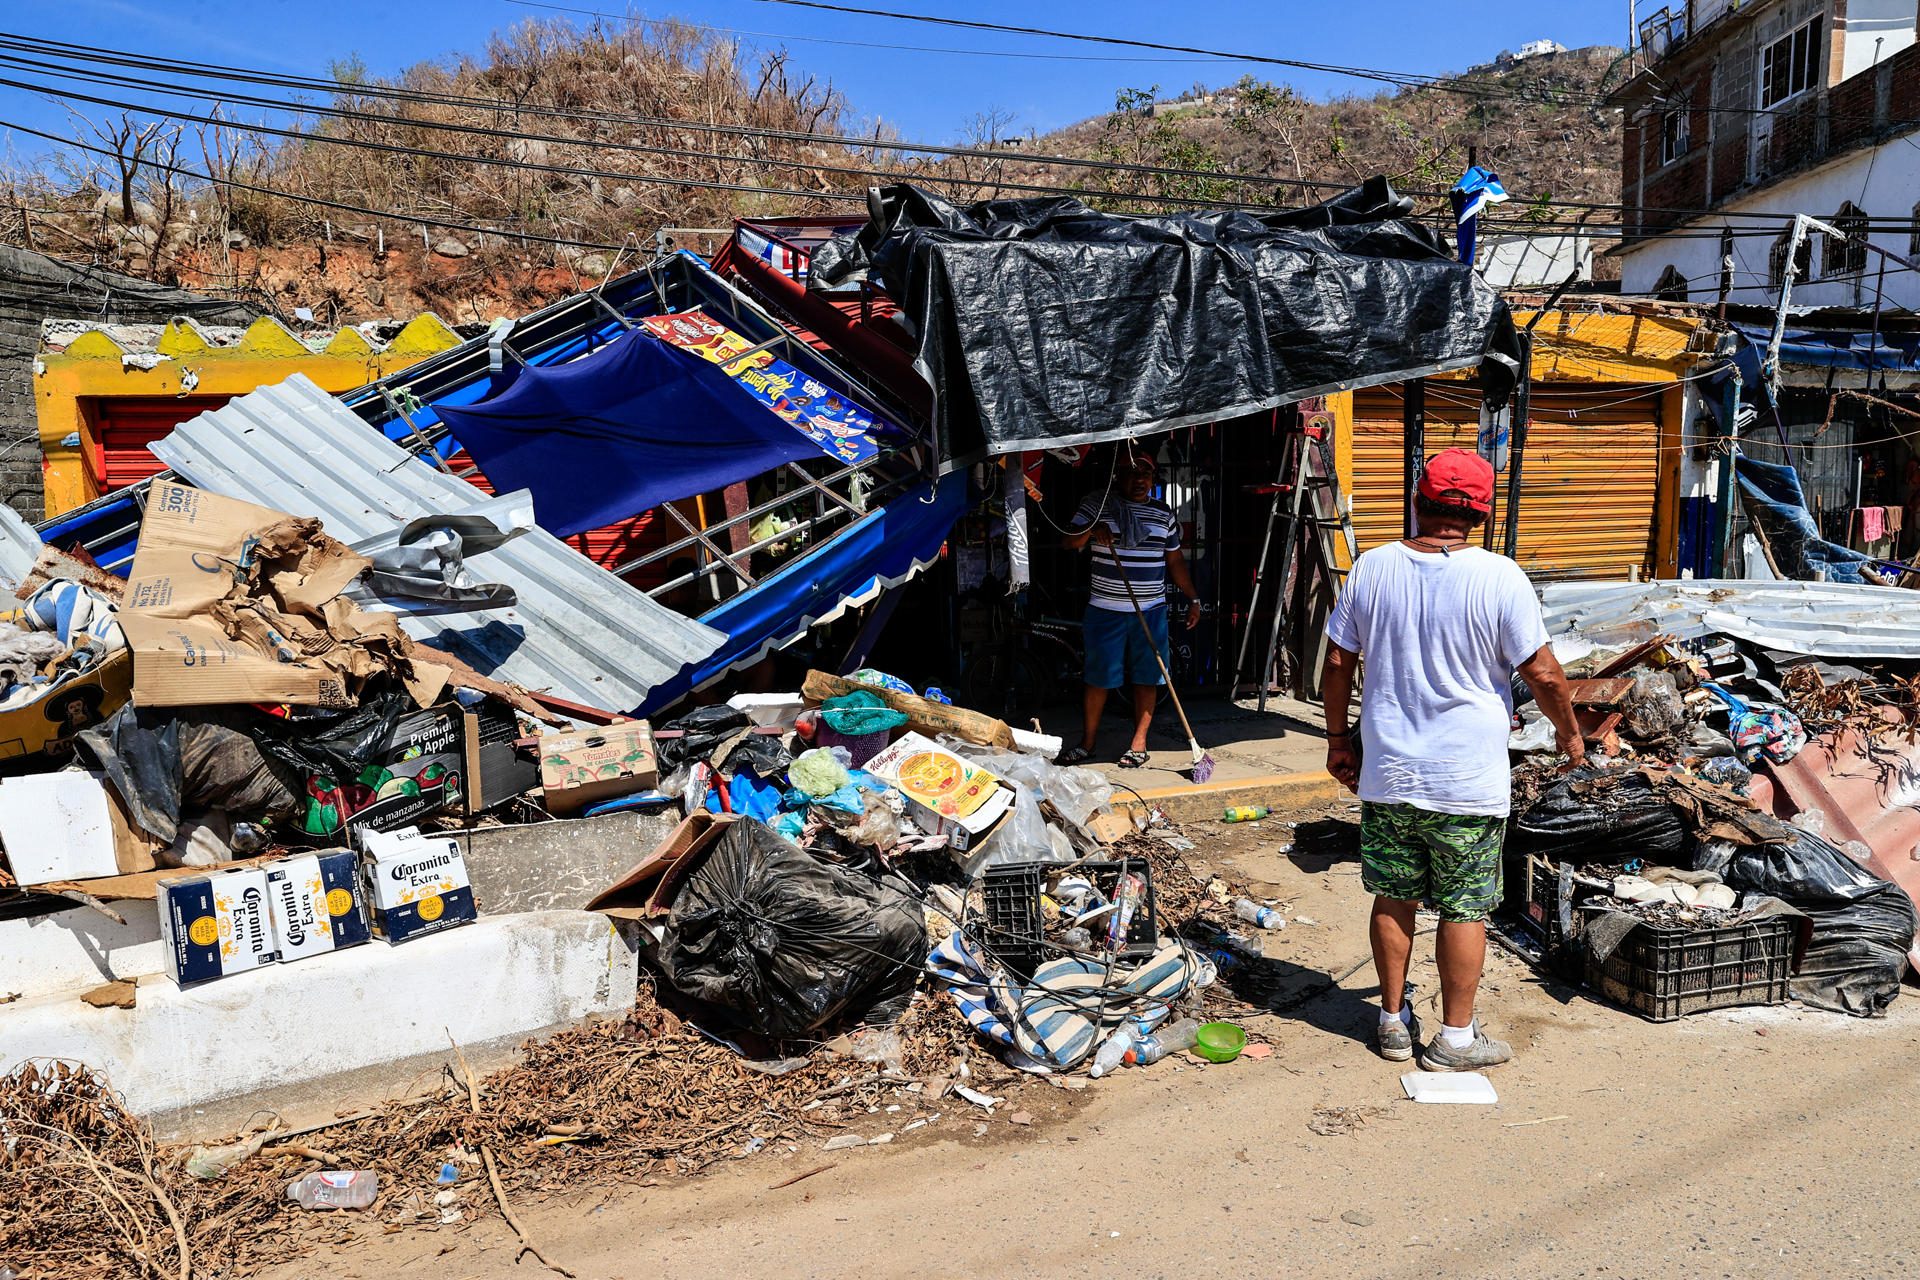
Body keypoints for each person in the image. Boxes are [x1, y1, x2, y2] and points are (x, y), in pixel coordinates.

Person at [1320, 448, 1582, 1072]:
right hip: (1466, 781)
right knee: (1465, 907)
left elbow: (1335, 663)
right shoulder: (1500, 577)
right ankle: (1455, 1041)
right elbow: (1543, 673)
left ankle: (1389, 1021)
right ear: (1481, 514)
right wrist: (1570, 734)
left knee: (1393, 896)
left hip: (1390, 774)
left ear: (1418, 499)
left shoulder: (1373, 568)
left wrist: (1336, 741)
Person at [1060, 451, 1202, 768]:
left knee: (1147, 678)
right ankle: (1088, 743)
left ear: (1153, 479)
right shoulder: (1097, 506)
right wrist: (1092, 530)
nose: (1139, 480)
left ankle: (1138, 745)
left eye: (1146, 474)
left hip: (1149, 611)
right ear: (1117, 476)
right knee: (1098, 679)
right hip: (1104, 610)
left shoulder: (1163, 515)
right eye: (1131, 472)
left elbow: (1175, 561)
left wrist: (1193, 599)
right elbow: (1068, 542)